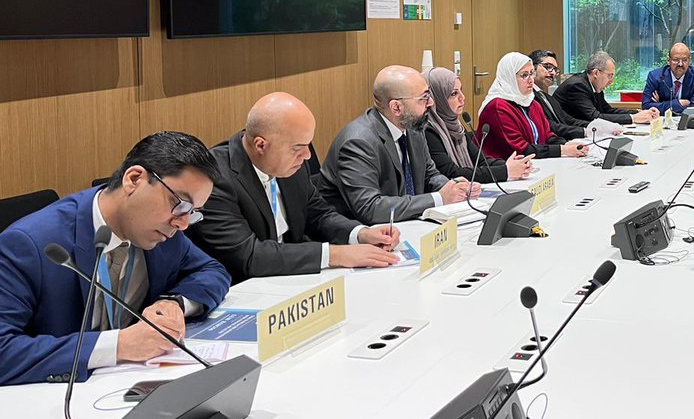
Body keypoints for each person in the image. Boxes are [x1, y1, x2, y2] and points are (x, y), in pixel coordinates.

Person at [0, 132, 231, 386]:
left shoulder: (164, 230)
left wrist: (174, 304)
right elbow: (3, 350)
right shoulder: (31, 244)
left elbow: (212, 270)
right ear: (134, 179)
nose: (183, 223)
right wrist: (119, 345)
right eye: (180, 204)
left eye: (193, 212)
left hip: (130, 386)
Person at [189, 93, 404, 284]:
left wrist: (360, 234)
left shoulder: (292, 163)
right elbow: (250, 256)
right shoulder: (214, 179)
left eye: (308, 145)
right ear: (261, 145)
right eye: (298, 148)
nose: (308, 156)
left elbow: (318, 214)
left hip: (295, 282)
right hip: (246, 290)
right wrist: (336, 255)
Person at [318, 65, 481, 226]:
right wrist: (440, 198)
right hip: (362, 236)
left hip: (405, 224)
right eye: (423, 98)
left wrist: (453, 188)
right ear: (396, 107)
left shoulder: (413, 127)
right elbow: (370, 208)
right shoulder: (358, 142)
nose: (431, 103)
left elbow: (429, 175)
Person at [425, 67, 534, 184]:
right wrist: (505, 171)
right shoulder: (428, 131)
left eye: (461, 90)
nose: (462, 97)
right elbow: (452, 174)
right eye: (453, 94)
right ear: (436, 98)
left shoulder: (455, 126)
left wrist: (513, 164)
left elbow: (481, 161)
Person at [478, 52, 591, 160]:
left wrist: (567, 145)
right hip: (506, 171)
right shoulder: (497, 107)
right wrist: (562, 150)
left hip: (535, 164)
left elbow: (548, 135)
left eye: (531, 73)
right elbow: (520, 150)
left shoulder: (532, 103)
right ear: (509, 77)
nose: (531, 80)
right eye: (524, 75)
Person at [553, 50, 659, 125]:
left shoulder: (594, 85)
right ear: (596, 73)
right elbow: (594, 117)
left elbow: (607, 110)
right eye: (610, 75)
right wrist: (633, 118)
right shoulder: (577, 86)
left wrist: (637, 112)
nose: (611, 81)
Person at [529, 49, 589, 139]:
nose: (553, 73)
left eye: (555, 69)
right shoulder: (528, 97)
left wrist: (594, 126)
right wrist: (585, 132)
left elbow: (567, 120)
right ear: (532, 68)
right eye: (548, 67)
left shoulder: (549, 98)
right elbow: (550, 126)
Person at [641, 42, 694, 114]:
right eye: (676, 60)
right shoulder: (655, 77)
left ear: (690, 61)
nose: (680, 64)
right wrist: (679, 103)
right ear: (668, 60)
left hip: (688, 122)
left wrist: (660, 104)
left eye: (685, 60)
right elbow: (646, 106)